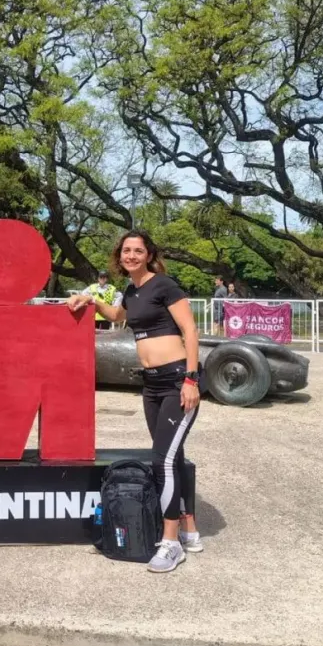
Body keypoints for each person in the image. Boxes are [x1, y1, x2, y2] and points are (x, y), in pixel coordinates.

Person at [67, 230, 202, 574]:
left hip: (175, 382)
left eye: (137, 250)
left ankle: (171, 544)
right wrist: (91, 301)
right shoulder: (132, 289)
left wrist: (191, 379)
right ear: (120, 256)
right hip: (151, 386)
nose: (131, 255)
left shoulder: (164, 285)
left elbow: (190, 330)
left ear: (148, 254)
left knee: (163, 461)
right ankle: (189, 529)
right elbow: (117, 316)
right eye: (126, 250)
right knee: (173, 456)